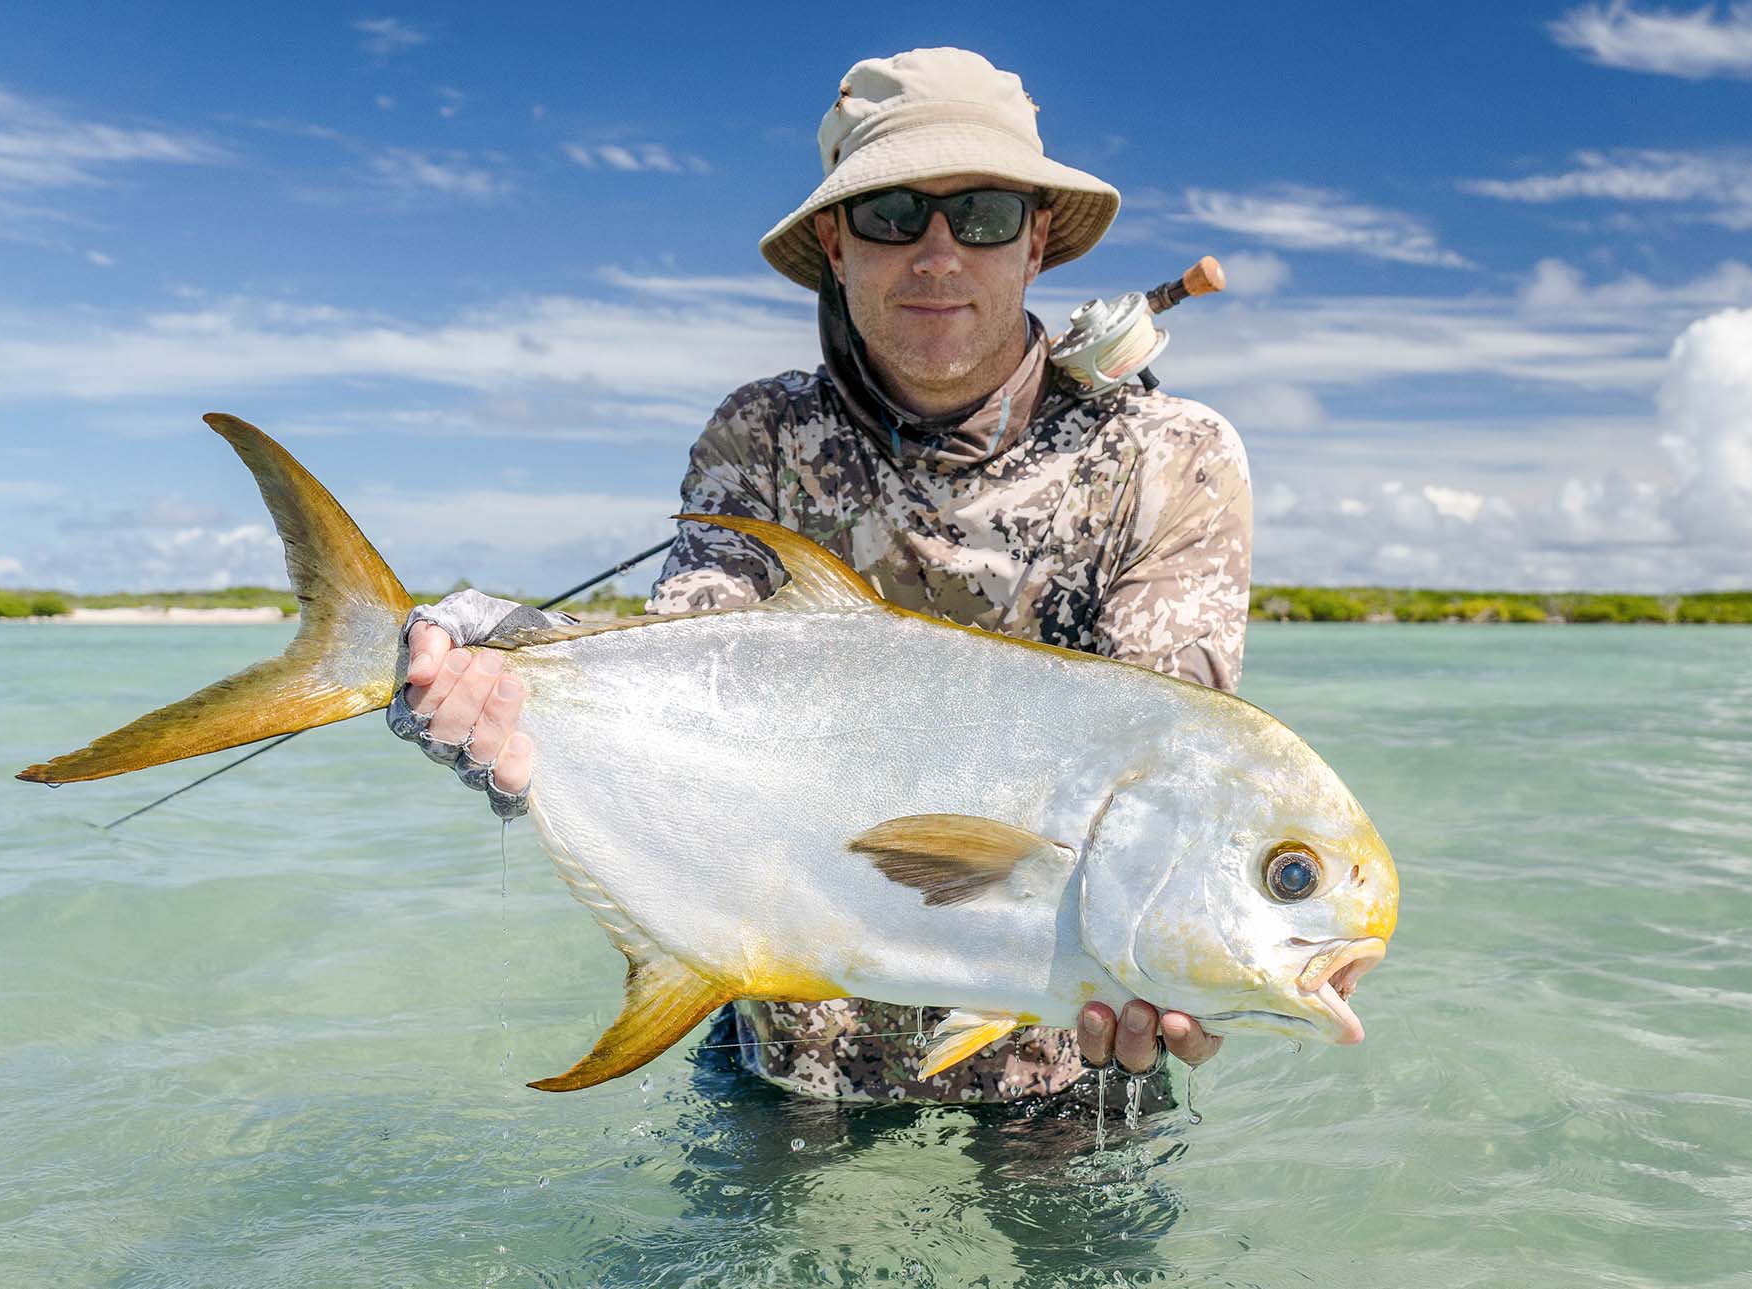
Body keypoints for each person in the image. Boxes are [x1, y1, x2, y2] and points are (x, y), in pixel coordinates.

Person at [394, 47, 1250, 1106]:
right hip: (786, 1057)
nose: (938, 254)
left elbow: (1167, 763)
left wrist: (1196, 942)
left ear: (1034, 243)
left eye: (980, 213)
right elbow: (688, 679)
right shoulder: (761, 434)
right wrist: (500, 663)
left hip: (1068, 1054)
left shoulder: (1169, 454)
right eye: (893, 213)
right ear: (838, 244)